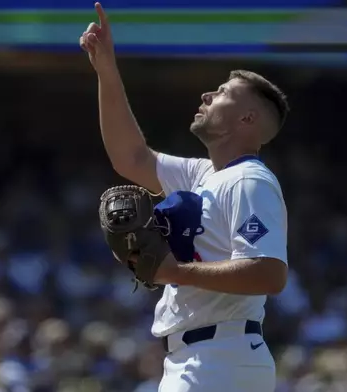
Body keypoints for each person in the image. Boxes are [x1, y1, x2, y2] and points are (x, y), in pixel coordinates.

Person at [80, 4, 290, 391]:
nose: (208, 95)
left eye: (224, 93)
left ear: (247, 119)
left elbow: (270, 273)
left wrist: (175, 272)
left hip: (220, 356)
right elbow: (132, 157)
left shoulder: (250, 180)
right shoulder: (203, 173)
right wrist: (106, 69)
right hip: (200, 359)